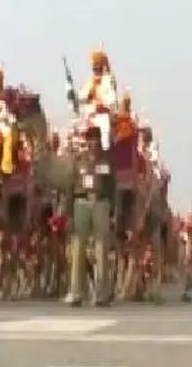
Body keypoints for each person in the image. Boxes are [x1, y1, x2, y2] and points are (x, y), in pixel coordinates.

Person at [65, 125, 114, 307]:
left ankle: (101, 294)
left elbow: (112, 186)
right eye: (89, 139)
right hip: (81, 202)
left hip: (101, 202)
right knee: (78, 247)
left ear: (100, 141)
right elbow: (70, 187)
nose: (92, 143)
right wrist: (68, 213)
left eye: (95, 139)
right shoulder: (79, 160)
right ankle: (76, 292)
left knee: (101, 249)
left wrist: (113, 211)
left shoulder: (107, 160)